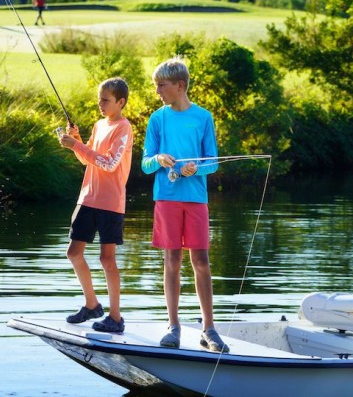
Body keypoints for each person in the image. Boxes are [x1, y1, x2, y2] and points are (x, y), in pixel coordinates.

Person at [140, 57, 229, 353]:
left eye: (161, 85)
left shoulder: (203, 117)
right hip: (166, 198)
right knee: (172, 262)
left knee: (201, 261)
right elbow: (145, 164)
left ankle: (209, 329)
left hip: (195, 200)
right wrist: (159, 159)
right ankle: (173, 327)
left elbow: (212, 162)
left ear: (179, 85)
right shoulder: (158, 119)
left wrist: (196, 168)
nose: (157, 91)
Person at [58, 77, 133, 333]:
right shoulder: (99, 124)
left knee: (106, 259)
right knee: (73, 252)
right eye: (99, 99)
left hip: (110, 202)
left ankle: (115, 317)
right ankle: (92, 305)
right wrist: (76, 142)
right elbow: (87, 159)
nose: (100, 104)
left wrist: (77, 144)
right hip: (87, 197)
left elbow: (110, 164)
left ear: (120, 102)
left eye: (105, 100)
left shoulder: (124, 128)